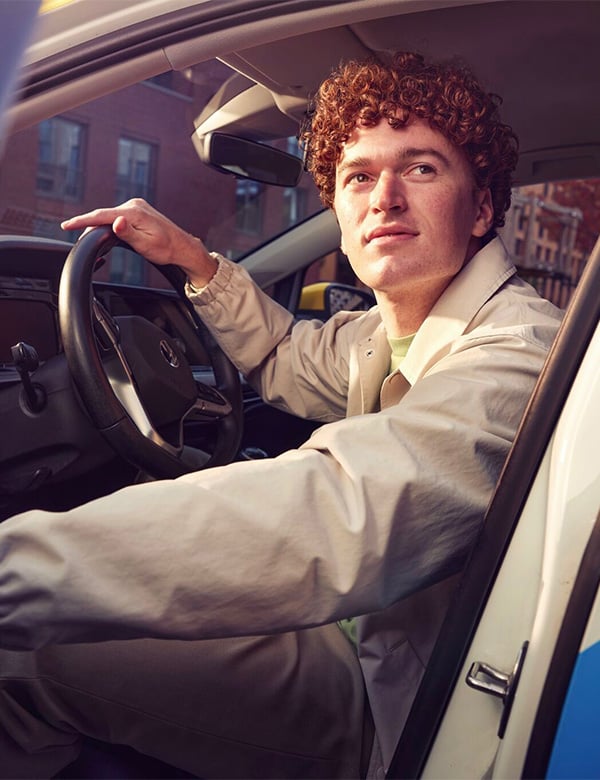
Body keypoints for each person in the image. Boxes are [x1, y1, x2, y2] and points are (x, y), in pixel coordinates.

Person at [0, 52, 562, 778]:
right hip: (358, 633)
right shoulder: (384, 334)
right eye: (359, 176)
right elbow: (288, 357)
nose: (383, 197)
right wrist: (191, 260)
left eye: (421, 169)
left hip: (395, 700)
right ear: (338, 209)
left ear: (481, 206)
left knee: (23, 651)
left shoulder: (521, 351)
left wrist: (16, 564)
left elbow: (339, 510)